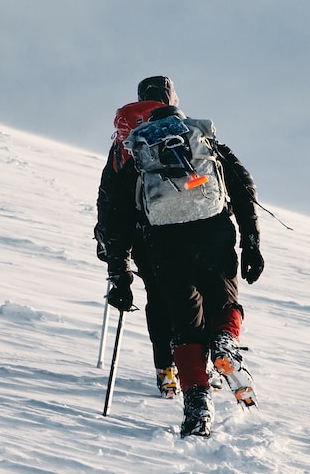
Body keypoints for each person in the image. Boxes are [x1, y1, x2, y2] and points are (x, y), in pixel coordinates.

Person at [95, 74, 263, 438]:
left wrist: (119, 272)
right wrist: (251, 240)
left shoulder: (135, 148)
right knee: (224, 302)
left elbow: (115, 215)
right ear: (173, 100)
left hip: (162, 243)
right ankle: (224, 341)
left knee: (185, 324)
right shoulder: (199, 138)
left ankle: (196, 402)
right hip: (214, 233)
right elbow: (241, 184)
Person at [94, 93, 178, 397]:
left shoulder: (124, 141)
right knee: (192, 296)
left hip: (140, 233)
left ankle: (165, 369)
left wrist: (106, 236)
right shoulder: (178, 129)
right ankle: (198, 362)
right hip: (181, 228)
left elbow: (109, 194)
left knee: (157, 298)